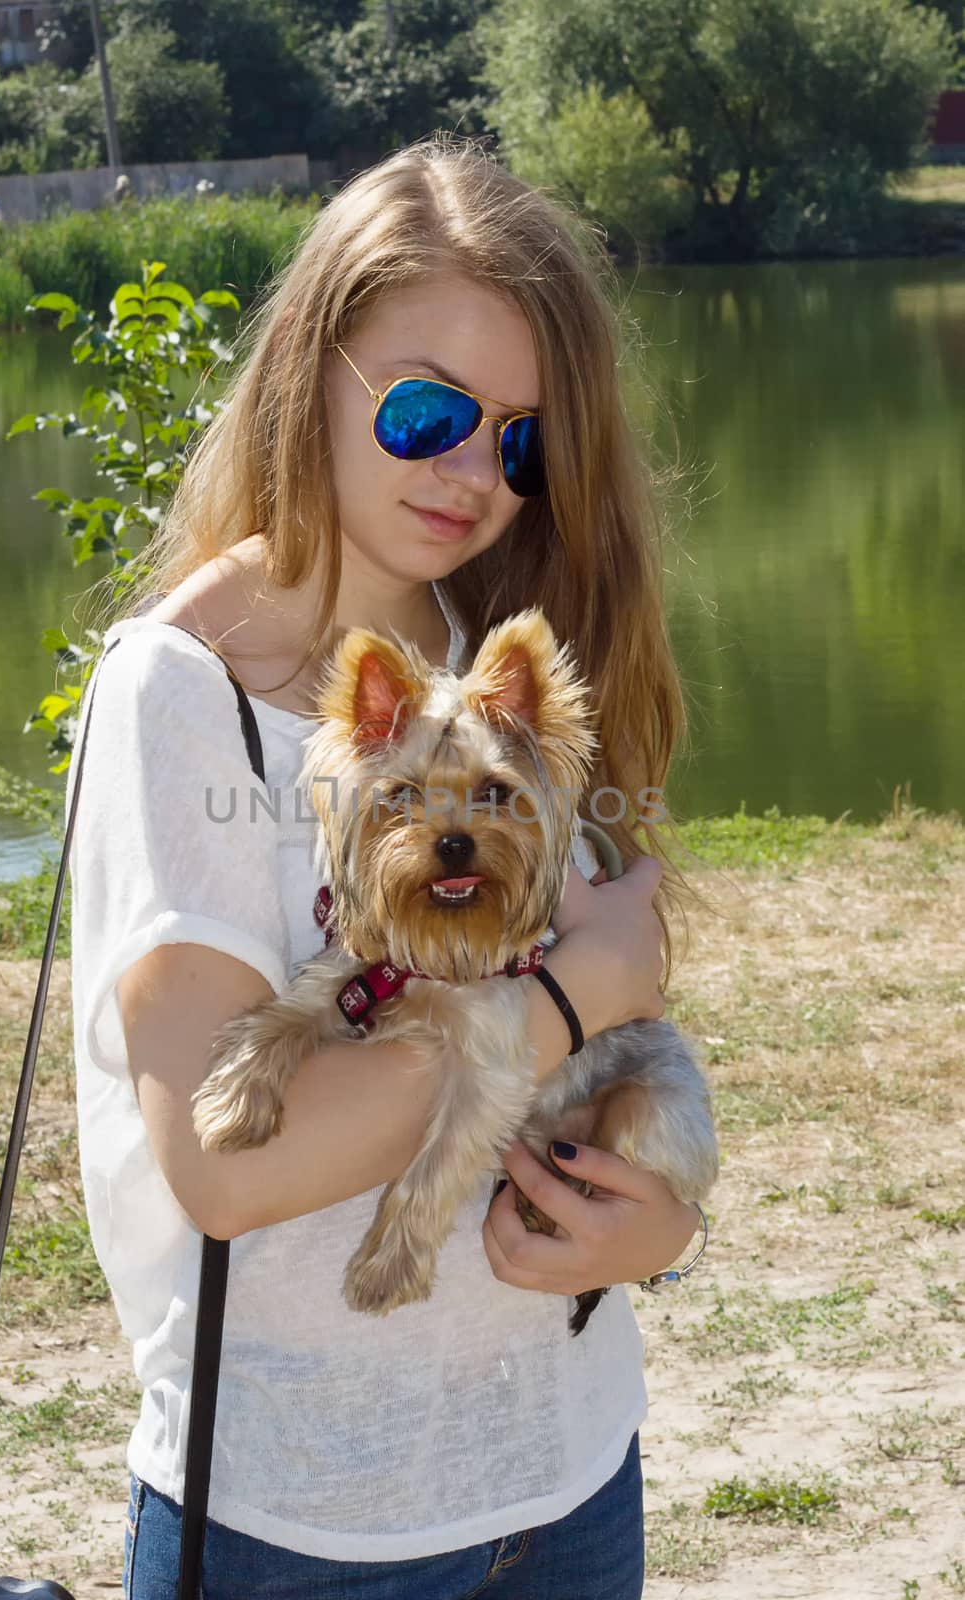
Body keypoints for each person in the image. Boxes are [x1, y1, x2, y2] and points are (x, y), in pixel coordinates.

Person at [69, 132, 701, 1600]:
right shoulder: (180, 694)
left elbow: (609, 1068)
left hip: (567, 1467)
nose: (475, 474)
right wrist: (568, 992)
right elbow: (232, 1174)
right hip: (305, 1529)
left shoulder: (500, 670)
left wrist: (652, 1226)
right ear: (310, 363)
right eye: (427, 410)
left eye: (521, 440)